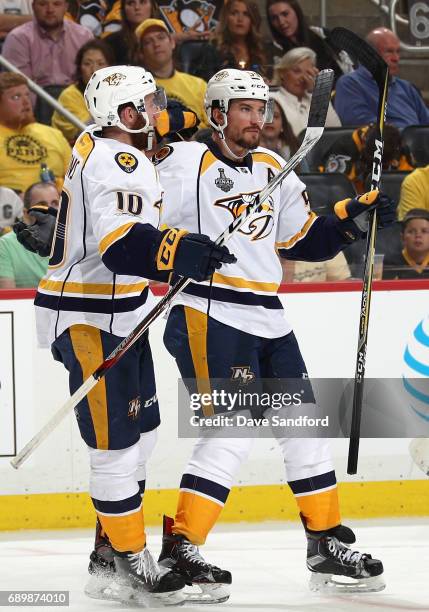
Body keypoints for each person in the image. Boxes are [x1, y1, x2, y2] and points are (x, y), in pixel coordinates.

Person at [151, 69, 395, 598]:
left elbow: (303, 240)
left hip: (269, 317)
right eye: (244, 108)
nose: (257, 119)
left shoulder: (271, 168)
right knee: (230, 433)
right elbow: (131, 190)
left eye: (260, 110)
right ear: (216, 113)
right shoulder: (184, 163)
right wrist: (160, 127)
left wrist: (352, 218)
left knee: (303, 428)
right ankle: (182, 545)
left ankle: (324, 540)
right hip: (207, 312)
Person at [33, 64, 234, 605]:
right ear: (124, 115)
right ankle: (127, 562)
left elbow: (168, 124)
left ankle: (107, 554)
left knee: (141, 433)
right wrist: (176, 251)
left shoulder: (105, 140)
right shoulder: (119, 162)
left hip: (120, 312)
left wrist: (186, 119)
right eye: (148, 104)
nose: (158, 112)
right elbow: (122, 246)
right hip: (88, 318)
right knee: (115, 447)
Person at [2, 0, 93, 123]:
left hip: (78, 106)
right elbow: (19, 88)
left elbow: (91, 82)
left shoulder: (84, 36)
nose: (50, 10)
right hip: (37, 112)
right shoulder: (17, 38)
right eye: (43, 4)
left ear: (66, 6)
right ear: (33, 7)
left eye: (56, 4)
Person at [334, 27, 429, 129]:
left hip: (416, 142)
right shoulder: (350, 84)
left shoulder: (407, 88)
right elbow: (362, 125)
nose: (396, 58)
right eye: (389, 51)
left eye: (398, 52)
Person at [0, 73, 71, 193]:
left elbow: (77, 177)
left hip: (55, 204)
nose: (26, 102)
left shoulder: (54, 134)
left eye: (27, 95)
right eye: (16, 97)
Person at [136, 18, 208, 127]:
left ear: (172, 43)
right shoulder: (137, 90)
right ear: (141, 53)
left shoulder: (199, 85)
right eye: (148, 41)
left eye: (161, 37)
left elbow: (214, 127)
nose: (156, 44)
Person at [266, 0, 349, 80]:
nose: (281, 22)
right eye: (274, 18)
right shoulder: (275, 51)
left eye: (285, 14)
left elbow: (347, 69)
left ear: (296, 12)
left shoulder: (321, 35)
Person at [51, 39, 114, 144]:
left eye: (101, 63)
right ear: (80, 68)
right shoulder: (69, 95)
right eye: (87, 64)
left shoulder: (118, 92)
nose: (94, 70)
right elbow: (89, 130)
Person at [320, 124, 414, 194]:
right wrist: (358, 170)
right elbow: (332, 187)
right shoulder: (344, 148)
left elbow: (410, 181)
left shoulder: (397, 147)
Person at [272, 47, 341, 137]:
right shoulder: (273, 99)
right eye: (297, 71)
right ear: (282, 73)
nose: (303, 78)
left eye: (308, 73)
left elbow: (335, 131)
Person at [0, 181, 58, 288]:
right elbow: (7, 298)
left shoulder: (76, 239)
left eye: (55, 203)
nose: (51, 209)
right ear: (26, 213)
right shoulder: (5, 245)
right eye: (42, 205)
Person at [212, 0, 267, 74]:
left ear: (252, 19)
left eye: (246, 14)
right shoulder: (214, 49)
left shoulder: (262, 50)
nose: (240, 19)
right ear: (226, 18)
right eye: (234, 13)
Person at [103, 0, 157, 65]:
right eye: (131, 3)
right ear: (123, 10)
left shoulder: (164, 40)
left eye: (142, 2)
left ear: (152, 7)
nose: (137, 7)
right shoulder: (110, 43)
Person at [383, 209, 429, 279]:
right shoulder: (389, 264)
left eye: (424, 231)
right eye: (411, 231)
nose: (418, 235)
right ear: (402, 238)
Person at [260, 90, 299, 161]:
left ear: (282, 126)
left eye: (275, 116)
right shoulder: (246, 151)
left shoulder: (295, 151)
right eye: (266, 116)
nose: (270, 121)